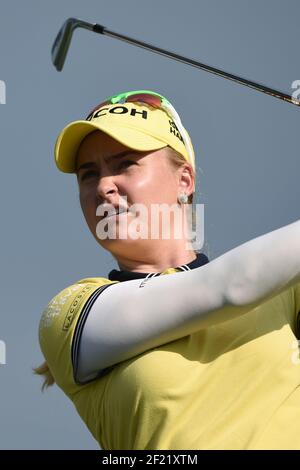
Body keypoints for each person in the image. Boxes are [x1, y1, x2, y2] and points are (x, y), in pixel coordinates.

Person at [35, 89, 300, 450]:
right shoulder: (69, 312)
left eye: (125, 163)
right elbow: (231, 287)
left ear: (184, 181)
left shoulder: (284, 288)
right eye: (88, 174)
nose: (103, 186)